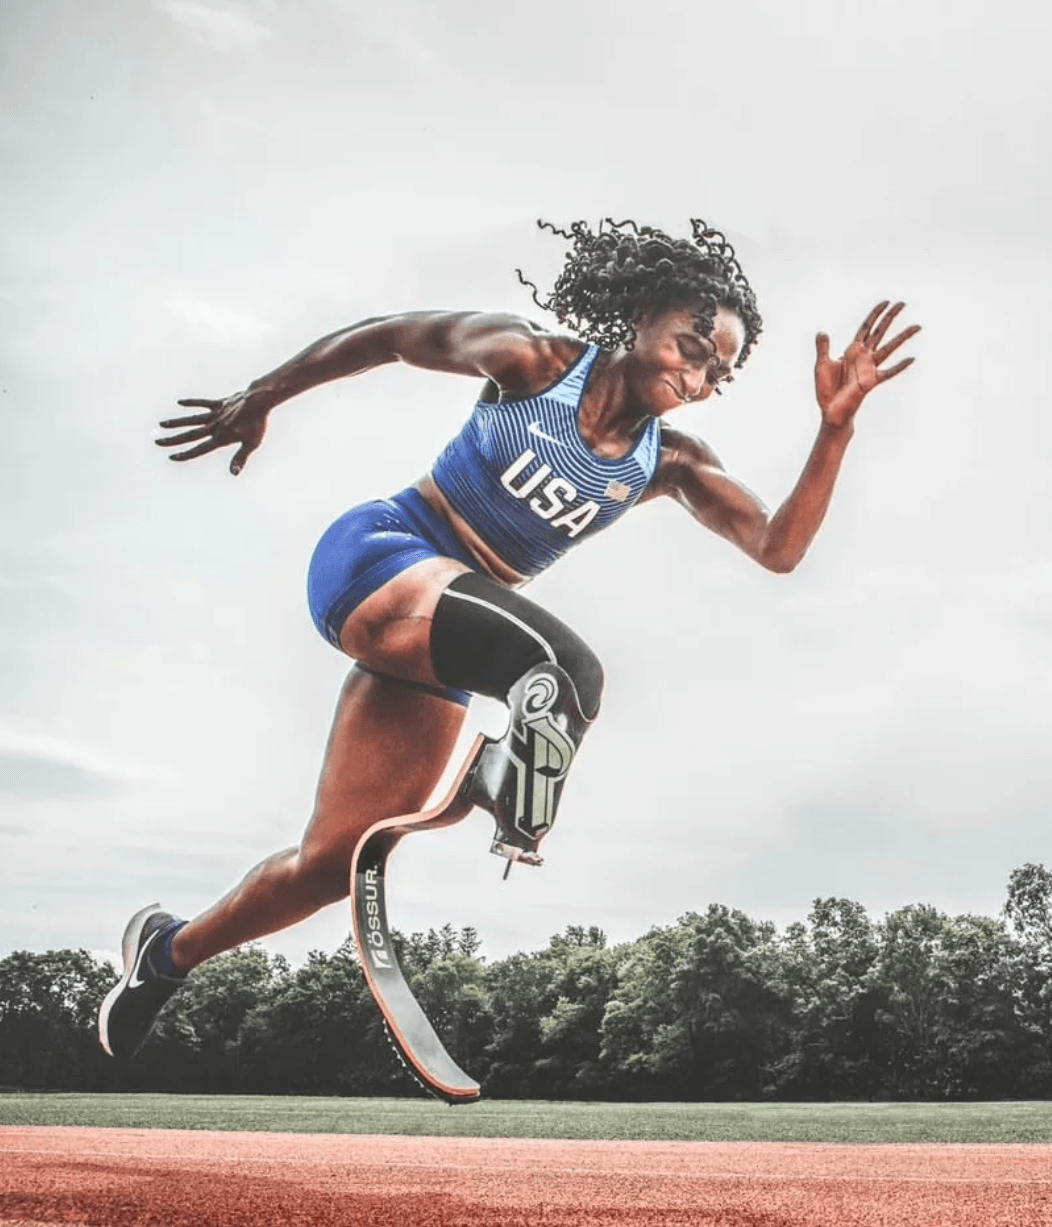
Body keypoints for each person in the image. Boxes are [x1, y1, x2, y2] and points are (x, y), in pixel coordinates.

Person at [97, 217, 919, 1061]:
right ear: (639, 317)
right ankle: (495, 782)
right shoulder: (533, 363)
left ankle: (165, 954)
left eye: (721, 369)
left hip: (451, 639)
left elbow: (778, 548)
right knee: (568, 671)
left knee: (330, 864)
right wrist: (262, 395)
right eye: (691, 345)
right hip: (384, 558)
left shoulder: (667, 462)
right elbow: (387, 339)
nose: (701, 374)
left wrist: (836, 428)